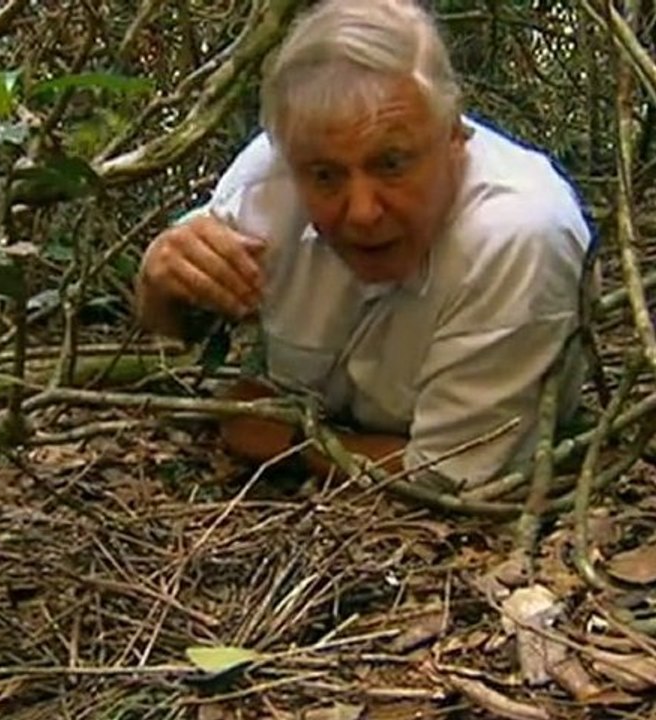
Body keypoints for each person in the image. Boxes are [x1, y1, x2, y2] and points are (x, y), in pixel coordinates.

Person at [135, 0, 592, 491]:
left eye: (391, 164)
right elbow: (177, 326)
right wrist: (158, 278)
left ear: (455, 136)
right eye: (327, 175)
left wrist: (291, 441)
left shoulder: (518, 235)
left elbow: (452, 474)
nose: (362, 212)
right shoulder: (273, 179)